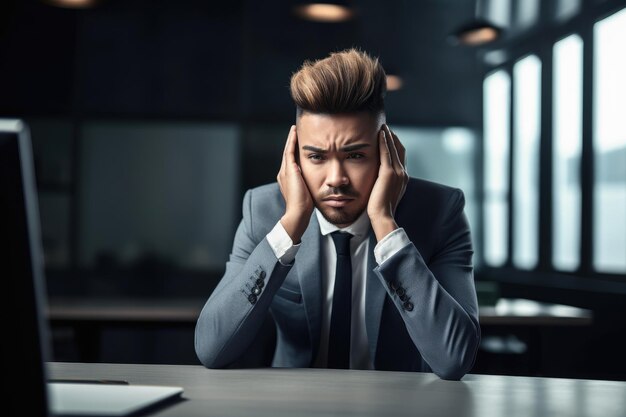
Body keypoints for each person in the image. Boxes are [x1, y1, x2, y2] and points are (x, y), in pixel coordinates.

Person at [195, 48, 480, 380]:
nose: (336, 179)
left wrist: (386, 226)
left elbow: (455, 359)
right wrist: (290, 226)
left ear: (388, 153)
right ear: (295, 157)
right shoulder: (263, 211)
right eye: (316, 157)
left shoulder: (440, 212)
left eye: (355, 155)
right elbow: (211, 348)